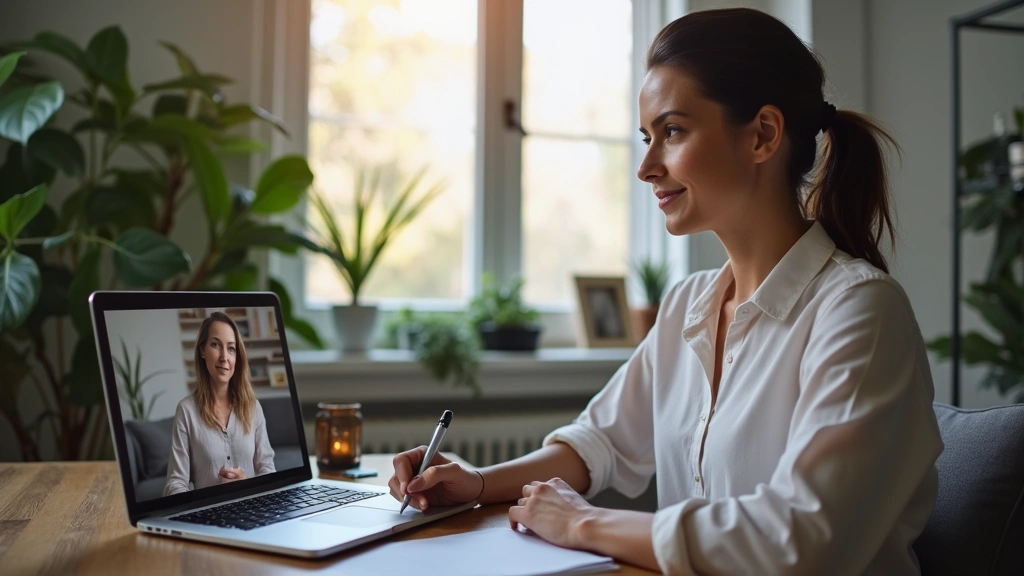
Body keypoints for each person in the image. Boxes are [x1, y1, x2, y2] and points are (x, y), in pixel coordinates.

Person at [387, 8, 942, 575]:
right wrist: (476, 483)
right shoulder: (687, 305)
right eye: (647, 137)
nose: (647, 167)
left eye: (672, 132)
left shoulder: (861, 311)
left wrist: (583, 523)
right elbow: (597, 443)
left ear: (763, 135)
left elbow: (800, 542)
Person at [164, 311, 275, 496]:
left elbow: (268, 471)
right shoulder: (186, 411)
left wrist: (246, 484)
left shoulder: (253, 407)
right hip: (208, 514)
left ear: (237, 356)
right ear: (202, 350)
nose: (224, 357)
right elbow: (175, 483)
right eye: (216, 345)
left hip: (250, 509)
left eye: (231, 348)